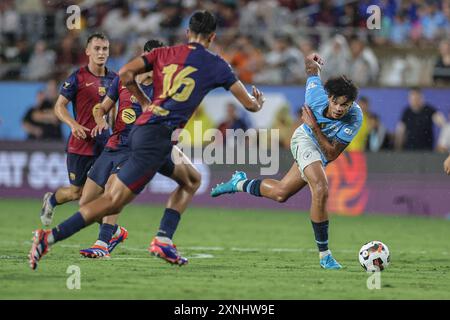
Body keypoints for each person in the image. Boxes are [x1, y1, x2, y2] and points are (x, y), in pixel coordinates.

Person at [28, 10, 265, 270]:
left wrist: (142, 101)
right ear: (213, 36)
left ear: (188, 33)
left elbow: (125, 73)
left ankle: (163, 239)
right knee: (111, 201)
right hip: (156, 137)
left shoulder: (164, 53)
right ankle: (48, 238)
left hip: (148, 132)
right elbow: (250, 106)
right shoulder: (217, 64)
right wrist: (257, 102)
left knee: (192, 180)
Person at [211, 54, 362, 270]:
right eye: (335, 102)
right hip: (304, 139)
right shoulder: (315, 97)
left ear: (351, 104)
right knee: (320, 188)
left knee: (281, 193)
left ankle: (239, 183)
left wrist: (314, 126)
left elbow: (330, 154)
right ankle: (325, 255)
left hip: (321, 144)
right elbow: (311, 69)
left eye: (344, 105)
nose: (339, 108)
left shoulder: (355, 117)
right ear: (328, 97)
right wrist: (312, 59)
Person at [39, 33, 116, 226]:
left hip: (105, 144)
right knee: (77, 192)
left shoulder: (115, 79)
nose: (101, 52)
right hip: (81, 145)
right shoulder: (77, 77)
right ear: (88, 51)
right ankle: (52, 199)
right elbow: (59, 106)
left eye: (105, 49)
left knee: (106, 190)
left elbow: (115, 111)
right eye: (97, 48)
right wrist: (73, 125)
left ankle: (106, 236)